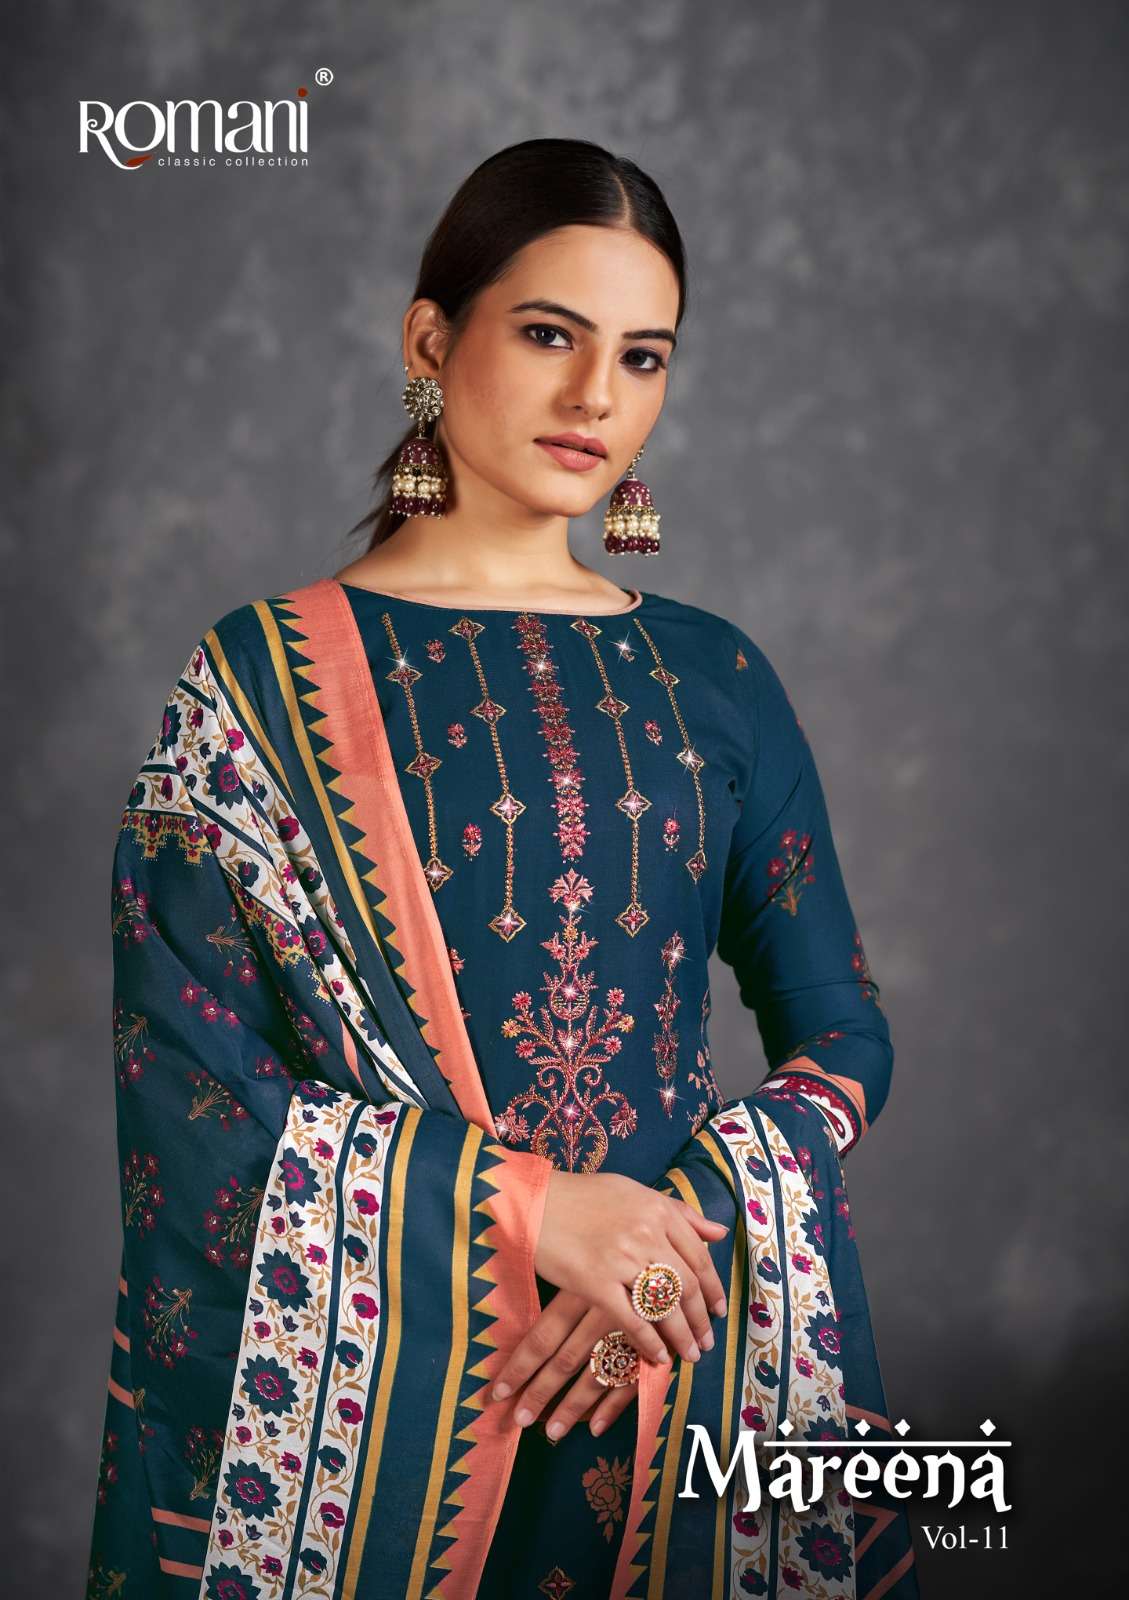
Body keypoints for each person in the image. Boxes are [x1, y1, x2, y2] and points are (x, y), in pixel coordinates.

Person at [85, 138, 920, 1599]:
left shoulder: (715, 677)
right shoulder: (252, 686)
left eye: (643, 356)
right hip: (382, 1431)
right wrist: (536, 1216)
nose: (597, 396)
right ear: (430, 341)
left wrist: (676, 1236)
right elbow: (191, 1086)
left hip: (669, 1380)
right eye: (548, 334)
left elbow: (840, 1032)